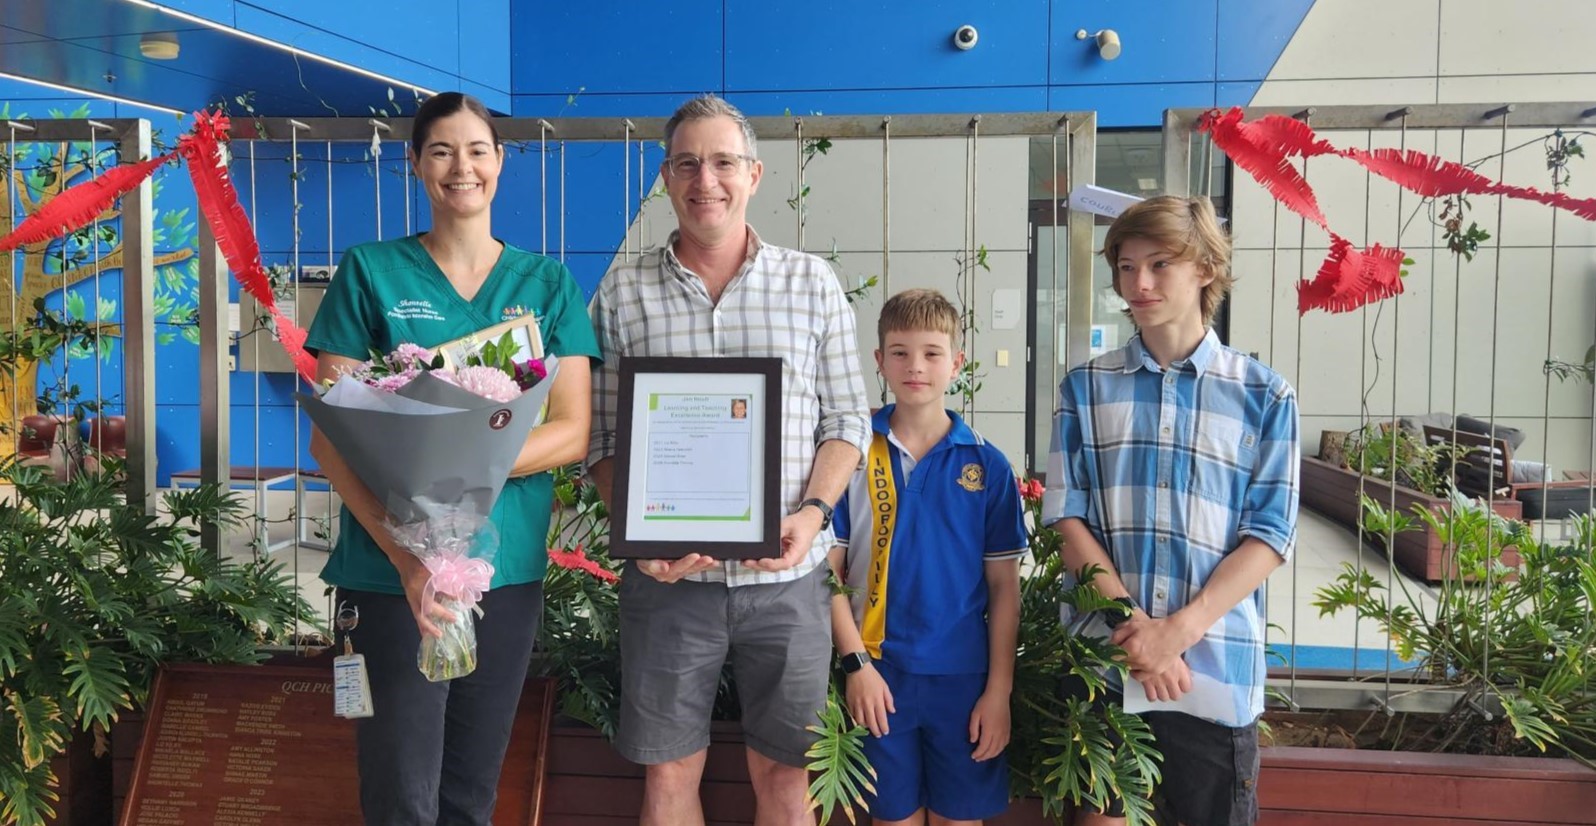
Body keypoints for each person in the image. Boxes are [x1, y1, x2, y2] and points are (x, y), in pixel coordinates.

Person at [305, 91, 600, 825]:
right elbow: (332, 436)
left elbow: (572, 431)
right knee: (401, 793)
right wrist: (410, 561)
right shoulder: (371, 272)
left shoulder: (546, 286)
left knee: (471, 791)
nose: (460, 166)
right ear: (415, 165)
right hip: (387, 577)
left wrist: (463, 473)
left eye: (476, 149)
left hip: (507, 575)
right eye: (440, 151)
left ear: (500, 162)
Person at [587, 93, 871, 826]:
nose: (704, 180)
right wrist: (643, 534)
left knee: (785, 776)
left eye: (722, 162)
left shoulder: (811, 285)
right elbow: (600, 440)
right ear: (665, 176)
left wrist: (813, 514)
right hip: (670, 586)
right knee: (670, 775)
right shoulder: (623, 291)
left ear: (754, 174)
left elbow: (846, 421)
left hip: (789, 581)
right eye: (687, 163)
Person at [1041, 195, 1299, 826]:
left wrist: (1177, 634)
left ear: (1206, 268)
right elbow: (1066, 518)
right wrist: (1137, 631)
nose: (1140, 284)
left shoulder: (1264, 395)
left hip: (1213, 674)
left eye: (1160, 264)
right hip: (1106, 663)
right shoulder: (1085, 389)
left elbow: (1269, 535)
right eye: (1127, 268)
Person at [828, 289, 1026, 826]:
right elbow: (829, 575)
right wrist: (856, 665)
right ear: (879, 361)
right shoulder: (849, 455)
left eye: (932, 353)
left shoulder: (988, 465)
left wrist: (998, 691)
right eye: (899, 352)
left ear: (957, 362)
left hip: (964, 681)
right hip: (879, 675)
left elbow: (1005, 588)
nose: (915, 366)